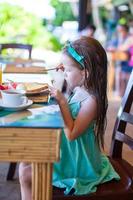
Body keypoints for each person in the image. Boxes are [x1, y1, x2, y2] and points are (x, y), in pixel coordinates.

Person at [19, 37, 120, 199]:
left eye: (67, 70)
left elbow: (72, 134)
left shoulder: (92, 101)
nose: (64, 73)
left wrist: (62, 101)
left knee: (26, 174)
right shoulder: (81, 87)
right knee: (24, 163)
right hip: (69, 153)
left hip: (79, 162)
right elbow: (70, 86)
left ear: (85, 73)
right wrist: (66, 70)